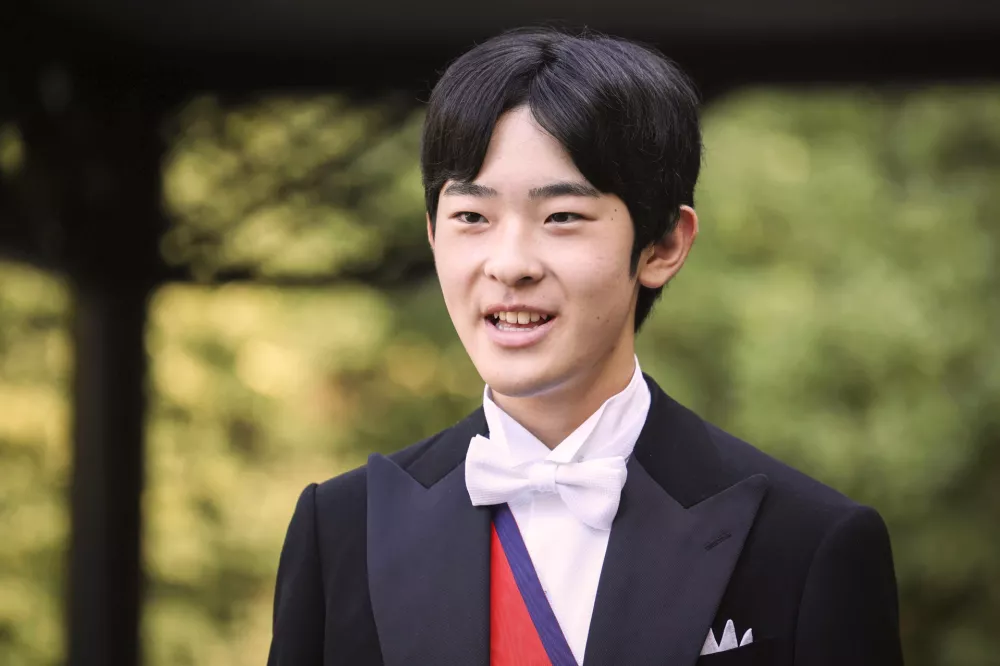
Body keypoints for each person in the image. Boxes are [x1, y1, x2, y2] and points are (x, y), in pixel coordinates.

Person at [267, 27, 904, 666]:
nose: (509, 264)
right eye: (471, 217)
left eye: (561, 217)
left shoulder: (807, 543)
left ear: (663, 245)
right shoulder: (343, 529)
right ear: (433, 233)